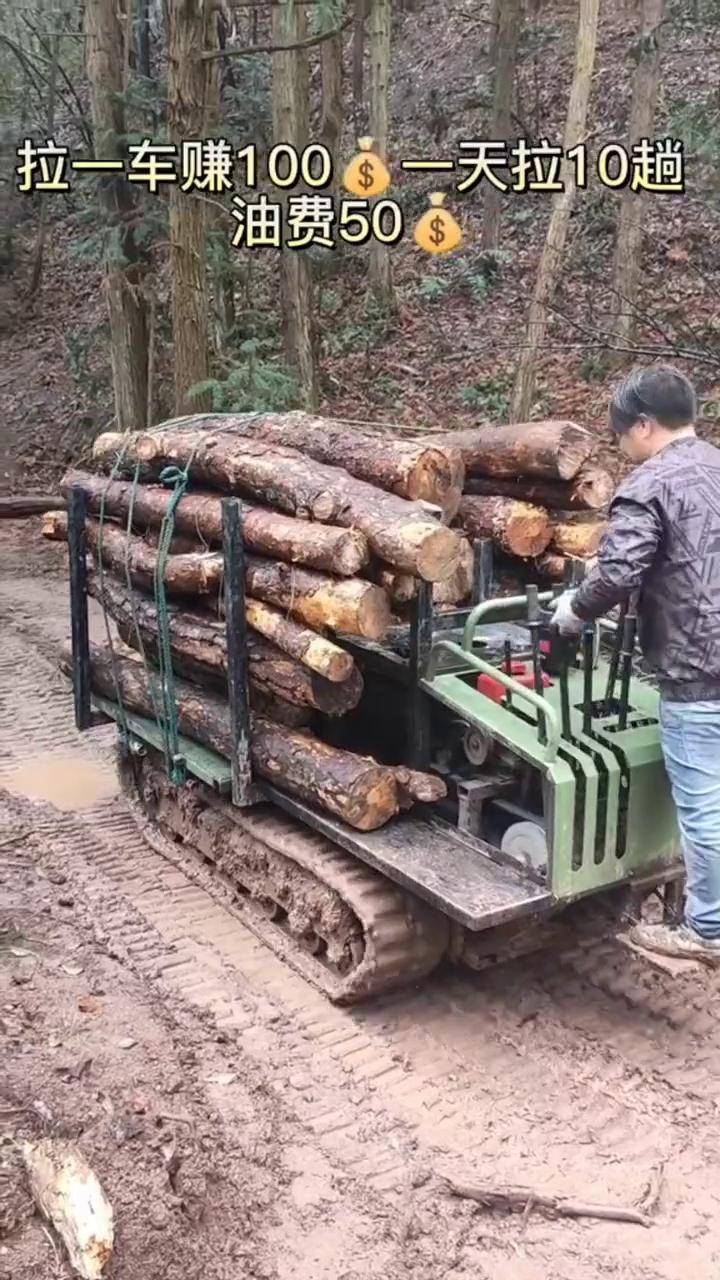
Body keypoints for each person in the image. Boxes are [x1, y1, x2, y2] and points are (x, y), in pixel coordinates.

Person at [551, 363, 720, 965]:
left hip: (698, 668)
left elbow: (621, 572)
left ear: (645, 424)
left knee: (702, 802)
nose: (622, 446)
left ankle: (706, 930)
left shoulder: (650, 485)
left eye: (623, 434)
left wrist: (573, 609)